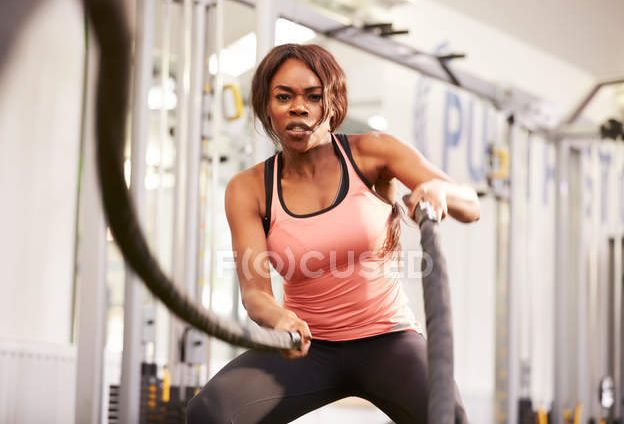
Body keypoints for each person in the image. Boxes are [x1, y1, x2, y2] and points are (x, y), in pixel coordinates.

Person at [187, 43, 480, 424]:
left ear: (332, 102)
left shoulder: (373, 153)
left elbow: (470, 205)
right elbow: (255, 292)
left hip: (387, 339)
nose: (299, 107)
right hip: (307, 345)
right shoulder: (249, 187)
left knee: (449, 416)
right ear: (266, 106)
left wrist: (442, 191)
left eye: (313, 95)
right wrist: (280, 318)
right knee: (209, 412)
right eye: (284, 96)